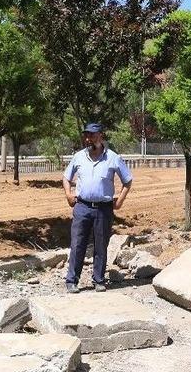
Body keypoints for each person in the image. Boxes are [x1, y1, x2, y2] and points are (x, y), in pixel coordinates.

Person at [62, 123, 133, 293]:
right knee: (78, 244)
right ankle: (72, 280)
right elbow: (66, 177)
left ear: (101, 136)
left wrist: (120, 201)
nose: (88, 139)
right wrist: (68, 194)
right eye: (86, 135)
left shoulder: (113, 158)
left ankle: (99, 280)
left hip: (104, 209)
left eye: (92, 135)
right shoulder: (78, 157)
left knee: (101, 245)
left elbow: (127, 181)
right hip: (82, 207)